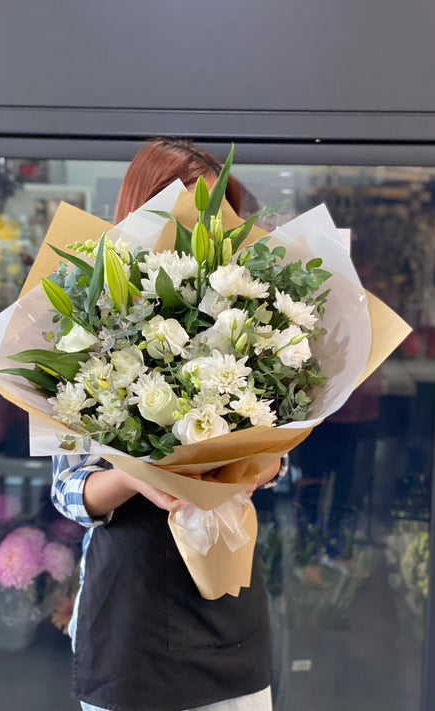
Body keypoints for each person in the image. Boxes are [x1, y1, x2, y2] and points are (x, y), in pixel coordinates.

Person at [51, 138, 288, 711]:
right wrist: (136, 477)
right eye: (184, 212)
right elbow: (67, 491)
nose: (198, 230)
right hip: (130, 609)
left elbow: (280, 459)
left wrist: (262, 460)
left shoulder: (247, 318)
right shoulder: (87, 316)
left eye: (213, 214)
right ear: (140, 209)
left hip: (225, 598)